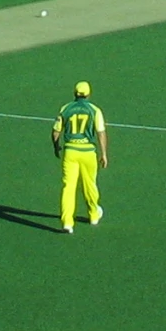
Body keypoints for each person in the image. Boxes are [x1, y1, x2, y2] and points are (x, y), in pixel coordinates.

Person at [52, 80, 108, 234]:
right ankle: (93, 215)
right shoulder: (94, 110)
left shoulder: (66, 108)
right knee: (89, 184)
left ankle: (67, 223)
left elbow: (56, 131)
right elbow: (101, 132)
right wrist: (104, 154)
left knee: (68, 187)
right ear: (89, 94)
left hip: (70, 152)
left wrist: (56, 146)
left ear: (74, 93)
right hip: (88, 152)